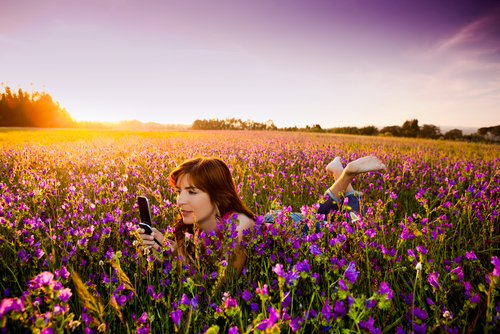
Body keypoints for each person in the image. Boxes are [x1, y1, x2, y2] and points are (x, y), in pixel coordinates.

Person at [138, 156, 385, 275]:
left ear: (217, 195)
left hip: (294, 231)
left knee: (357, 231)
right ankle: (341, 174)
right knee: (319, 214)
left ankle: (348, 175)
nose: (180, 200)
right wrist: (168, 246)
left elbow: (224, 281)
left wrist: (171, 255)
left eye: (191, 191)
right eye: (179, 191)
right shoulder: (204, 219)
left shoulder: (238, 226)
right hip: (273, 224)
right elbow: (205, 259)